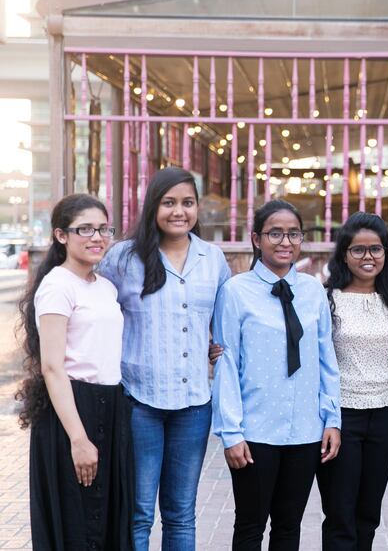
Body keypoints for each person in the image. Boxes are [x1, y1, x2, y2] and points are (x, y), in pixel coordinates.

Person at [97, 167, 231, 550]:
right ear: (153, 206)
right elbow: (97, 312)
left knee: (181, 513)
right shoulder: (124, 258)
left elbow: (222, 321)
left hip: (193, 404)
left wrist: (216, 346)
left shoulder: (213, 259)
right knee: (139, 513)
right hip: (140, 401)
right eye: (169, 202)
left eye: (187, 203)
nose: (179, 211)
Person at [212, 199, 341, 551]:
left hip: (305, 430)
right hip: (255, 431)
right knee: (251, 526)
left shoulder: (313, 290)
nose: (285, 242)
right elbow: (226, 362)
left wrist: (332, 419)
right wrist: (231, 432)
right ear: (256, 239)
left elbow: (325, 356)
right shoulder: (236, 292)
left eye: (293, 234)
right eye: (275, 234)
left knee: (289, 526)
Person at [18, 194, 133, 550]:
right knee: (76, 524)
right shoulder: (57, 285)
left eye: (103, 229)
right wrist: (79, 439)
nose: (97, 237)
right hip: (72, 409)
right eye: (85, 229)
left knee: (110, 518)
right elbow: (53, 367)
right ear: (61, 235)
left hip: (111, 405)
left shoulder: (106, 286)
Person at [317, 211, 388, 551]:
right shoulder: (327, 299)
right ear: (343, 253)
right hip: (341, 417)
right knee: (341, 516)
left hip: (384, 415)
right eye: (358, 250)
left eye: (376, 249)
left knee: (368, 515)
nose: (368, 257)